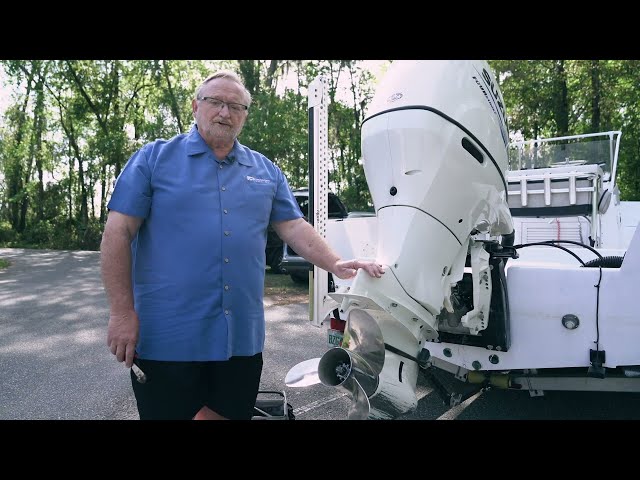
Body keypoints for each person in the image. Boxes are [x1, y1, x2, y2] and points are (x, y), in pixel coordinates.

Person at [100, 70, 385, 420]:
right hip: (167, 338)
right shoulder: (153, 159)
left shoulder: (265, 170)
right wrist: (121, 312)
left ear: (245, 115)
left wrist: (336, 263)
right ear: (196, 107)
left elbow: (294, 227)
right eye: (215, 102)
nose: (225, 112)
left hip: (239, 340)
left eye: (236, 106)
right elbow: (117, 233)